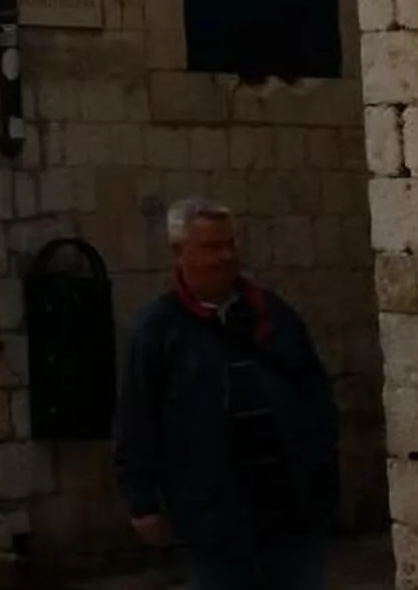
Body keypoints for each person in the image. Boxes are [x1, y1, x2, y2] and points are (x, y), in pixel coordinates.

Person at [116, 198, 338, 590]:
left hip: (288, 505)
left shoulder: (273, 314)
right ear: (179, 253)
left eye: (230, 244)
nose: (225, 257)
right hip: (212, 514)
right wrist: (143, 503)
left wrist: (321, 468)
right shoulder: (158, 330)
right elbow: (137, 418)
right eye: (211, 247)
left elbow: (314, 393)